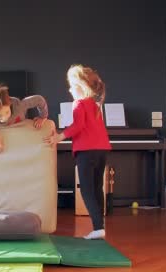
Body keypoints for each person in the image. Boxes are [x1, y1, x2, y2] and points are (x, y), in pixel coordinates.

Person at [44, 64, 111, 239]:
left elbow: (79, 126)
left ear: (80, 87)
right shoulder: (95, 105)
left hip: (86, 151)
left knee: (87, 190)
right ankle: (100, 226)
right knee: (97, 188)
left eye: (71, 86)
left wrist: (60, 136)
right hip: (102, 150)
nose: (69, 89)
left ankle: (98, 228)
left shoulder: (79, 103)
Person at [0, 82, 48, 153]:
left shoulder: (19, 106)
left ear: (9, 105)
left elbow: (39, 99)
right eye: (0, 116)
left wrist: (42, 117)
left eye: (7, 112)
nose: (5, 117)